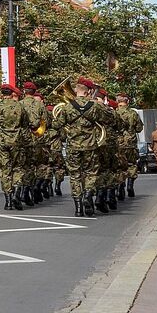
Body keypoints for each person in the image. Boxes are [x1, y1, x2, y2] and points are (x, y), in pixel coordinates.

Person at [52, 77, 115, 216]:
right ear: (88, 92)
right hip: (90, 146)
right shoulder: (95, 106)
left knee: (75, 176)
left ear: (76, 90)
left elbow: (56, 125)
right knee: (91, 173)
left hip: (73, 146)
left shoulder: (68, 106)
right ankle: (87, 195)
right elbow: (110, 119)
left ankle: (78, 208)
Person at [0, 84, 28, 211]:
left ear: (2, 93)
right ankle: (17, 191)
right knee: (17, 168)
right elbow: (25, 123)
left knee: (5, 170)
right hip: (16, 141)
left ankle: (8, 201)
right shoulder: (19, 106)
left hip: (2, 142)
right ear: (12, 93)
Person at [20, 82, 47, 204]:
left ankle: (24, 191)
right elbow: (46, 122)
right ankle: (33, 188)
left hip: (23, 139)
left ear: (24, 91)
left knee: (25, 166)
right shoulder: (40, 105)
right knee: (39, 165)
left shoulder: (19, 105)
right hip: (37, 139)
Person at [115, 94, 143, 198]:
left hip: (118, 144)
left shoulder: (114, 112)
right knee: (131, 164)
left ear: (117, 102)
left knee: (119, 166)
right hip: (130, 144)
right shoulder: (133, 113)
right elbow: (139, 128)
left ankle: (120, 188)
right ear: (128, 102)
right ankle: (130, 186)